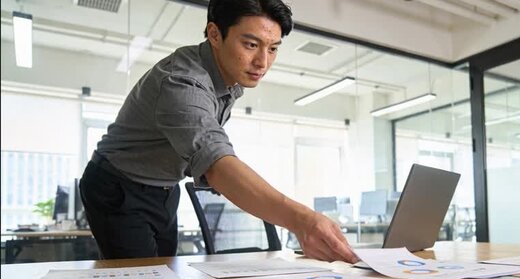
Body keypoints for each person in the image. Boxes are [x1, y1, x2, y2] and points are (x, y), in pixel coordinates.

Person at [79, 0, 358, 264]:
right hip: (116, 184)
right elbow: (215, 162)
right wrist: (302, 220)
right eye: (251, 44)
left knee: (163, 274)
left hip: (164, 187)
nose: (263, 61)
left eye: (273, 48)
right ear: (214, 34)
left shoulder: (230, 78)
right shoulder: (182, 82)